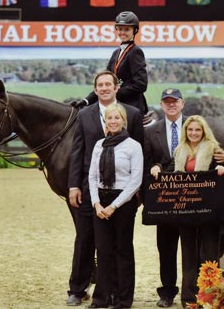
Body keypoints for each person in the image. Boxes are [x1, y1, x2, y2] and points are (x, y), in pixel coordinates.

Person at [66, 71, 144, 306]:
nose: (104, 88)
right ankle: (78, 289)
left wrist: (138, 193)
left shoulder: (133, 113)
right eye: (100, 85)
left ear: (116, 87)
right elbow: (78, 151)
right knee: (86, 238)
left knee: (120, 246)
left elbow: (141, 154)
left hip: (123, 193)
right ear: (95, 88)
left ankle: (119, 295)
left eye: (108, 84)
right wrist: (73, 185)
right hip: (93, 190)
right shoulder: (84, 114)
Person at [144, 88, 224, 308]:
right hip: (167, 201)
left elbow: (219, 159)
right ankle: (168, 292)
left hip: (199, 206)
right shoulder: (151, 132)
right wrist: (156, 166)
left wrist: (223, 161)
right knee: (167, 248)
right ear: (161, 105)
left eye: (175, 101)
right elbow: (154, 163)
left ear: (182, 104)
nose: (171, 105)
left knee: (201, 249)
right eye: (166, 102)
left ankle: (206, 292)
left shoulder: (195, 126)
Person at [87, 103, 143, 309]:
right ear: (106, 122)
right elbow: (92, 176)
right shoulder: (99, 145)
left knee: (123, 250)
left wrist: (114, 206)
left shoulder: (133, 146)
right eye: (109, 118)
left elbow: (135, 181)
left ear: (123, 121)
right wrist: (96, 203)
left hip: (123, 202)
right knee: (103, 250)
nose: (113, 121)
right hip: (100, 200)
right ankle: (102, 298)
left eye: (117, 118)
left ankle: (122, 299)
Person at [172, 115, 224, 308]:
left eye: (198, 130)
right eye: (190, 130)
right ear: (185, 131)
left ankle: (210, 296)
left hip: (209, 210)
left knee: (209, 253)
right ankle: (188, 298)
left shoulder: (214, 149)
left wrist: (222, 167)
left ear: (204, 132)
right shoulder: (179, 150)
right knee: (188, 254)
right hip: (186, 210)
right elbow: (173, 174)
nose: (194, 133)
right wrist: (156, 168)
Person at [72, 11, 149, 117]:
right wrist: (86, 101)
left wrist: (113, 93)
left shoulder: (135, 52)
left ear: (134, 30)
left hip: (131, 106)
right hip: (115, 104)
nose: (122, 32)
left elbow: (141, 85)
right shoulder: (116, 53)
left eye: (127, 29)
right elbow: (105, 81)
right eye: (120, 29)